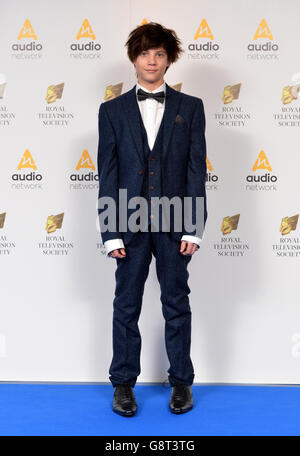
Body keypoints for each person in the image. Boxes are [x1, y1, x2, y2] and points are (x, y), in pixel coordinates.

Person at [97, 22, 207, 417]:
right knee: (126, 305)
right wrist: (111, 232)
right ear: (134, 58)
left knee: (176, 303)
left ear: (169, 60)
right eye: (145, 53)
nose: (152, 60)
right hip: (128, 221)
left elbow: (196, 171)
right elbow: (107, 174)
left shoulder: (191, 108)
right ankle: (123, 385)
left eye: (160, 54)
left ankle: (181, 383)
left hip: (176, 222)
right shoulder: (110, 111)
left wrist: (194, 225)